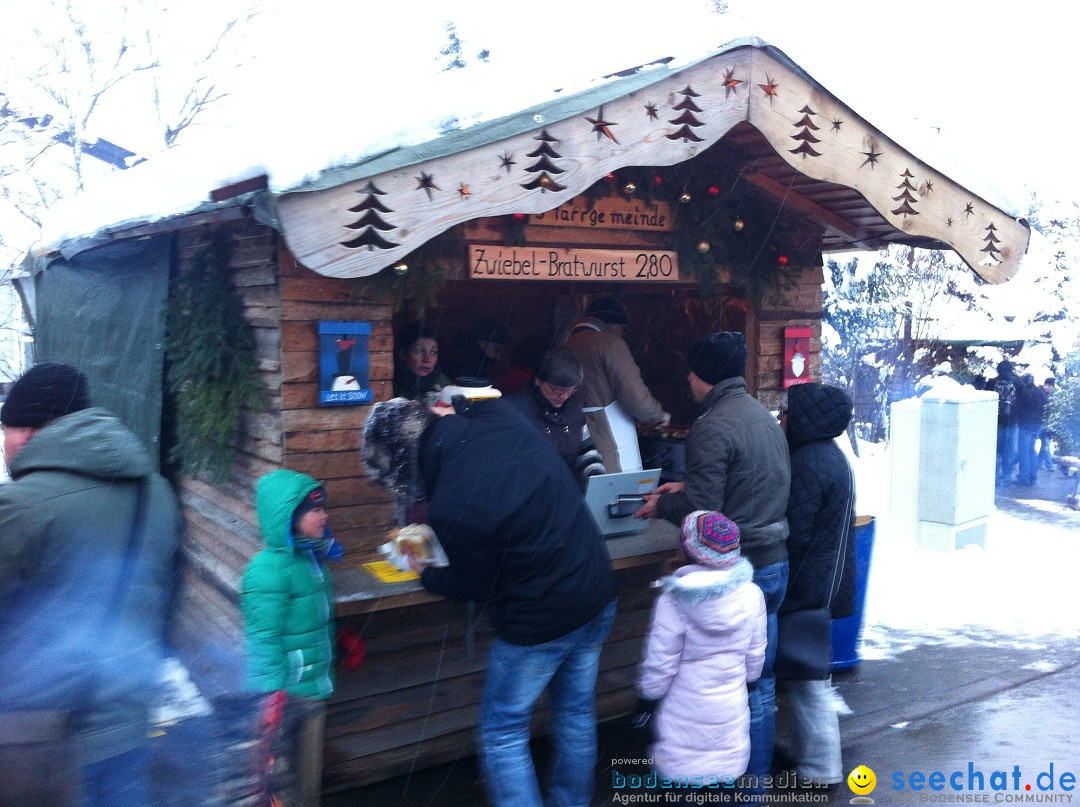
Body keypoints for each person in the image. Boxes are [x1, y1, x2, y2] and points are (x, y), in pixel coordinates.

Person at [361, 397, 618, 807]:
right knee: (576, 714)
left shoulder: (451, 507)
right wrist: (448, 406)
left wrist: (425, 571)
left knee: (503, 731)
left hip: (540, 621)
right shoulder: (501, 416)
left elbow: (476, 582)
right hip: (595, 591)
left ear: (406, 467)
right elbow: (470, 404)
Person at [0, 362, 182, 807]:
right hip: (133, 726)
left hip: (46, 746)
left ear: (26, 433)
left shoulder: (20, 507)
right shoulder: (155, 492)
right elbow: (167, 599)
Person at [634, 331, 790, 797]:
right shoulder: (761, 417)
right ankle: (753, 790)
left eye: (692, 370)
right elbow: (746, 481)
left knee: (709, 688)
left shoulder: (711, 426)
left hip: (737, 572)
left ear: (703, 375)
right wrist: (681, 489)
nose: (687, 378)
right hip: (775, 565)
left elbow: (706, 510)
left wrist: (661, 506)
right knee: (756, 685)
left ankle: (704, 782)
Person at [634, 511, 766, 790]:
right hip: (730, 712)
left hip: (683, 718)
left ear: (685, 549)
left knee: (683, 790)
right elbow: (755, 656)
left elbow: (661, 663)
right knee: (723, 787)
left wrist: (647, 701)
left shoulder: (673, 600)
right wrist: (750, 684)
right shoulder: (752, 594)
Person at [241, 469, 344, 807]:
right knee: (283, 783)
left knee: (307, 781)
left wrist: (341, 641)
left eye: (323, 508)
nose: (324, 515)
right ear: (290, 517)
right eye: (315, 510)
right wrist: (271, 695)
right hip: (290, 697)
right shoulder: (268, 569)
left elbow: (311, 621)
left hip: (314, 688)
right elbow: (262, 637)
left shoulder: (312, 559)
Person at [774, 382, 856, 792]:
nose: (783, 418)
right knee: (808, 678)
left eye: (787, 411)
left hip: (808, 584)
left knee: (809, 682)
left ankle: (821, 770)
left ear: (805, 418)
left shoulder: (811, 462)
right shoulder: (828, 456)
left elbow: (796, 533)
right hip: (822, 582)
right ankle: (811, 761)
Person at [564, 296, 670, 472]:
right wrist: (658, 417)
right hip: (608, 432)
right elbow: (634, 396)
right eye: (623, 328)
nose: (623, 332)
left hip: (577, 432)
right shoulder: (610, 343)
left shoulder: (568, 343)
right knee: (618, 488)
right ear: (613, 323)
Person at [507, 348, 607, 488]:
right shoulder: (518, 412)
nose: (565, 396)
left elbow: (586, 451)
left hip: (568, 493)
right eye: (557, 390)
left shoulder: (573, 408)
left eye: (571, 390)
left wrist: (597, 483)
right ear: (537, 380)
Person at [393, 321, 451, 401]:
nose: (427, 359)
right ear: (403, 354)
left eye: (433, 352)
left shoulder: (444, 384)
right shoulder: (389, 382)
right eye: (419, 350)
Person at [444, 315, 511, 385]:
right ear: (483, 342)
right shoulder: (465, 364)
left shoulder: (467, 358)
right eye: (497, 349)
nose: (498, 356)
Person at [992, 360, 1021, 487]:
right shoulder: (1018, 382)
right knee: (1009, 451)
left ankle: (994, 477)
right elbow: (1026, 400)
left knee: (996, 450)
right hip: (1012, 422)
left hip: (995, 423)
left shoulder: (992, 382)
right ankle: (1006, 478)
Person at [1015, 373, 1047, 486]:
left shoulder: (1025, 393)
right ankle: (1033, 476)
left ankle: (1023, 478)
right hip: (1037, 425)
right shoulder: (1040, 392)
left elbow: (1019, 408)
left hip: (1025, 425)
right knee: (1032, 450)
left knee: (1024, 452)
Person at [1038, 378, 1057, 471]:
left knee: (1044, 444)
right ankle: (1049, 465)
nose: (1046, 387)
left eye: (1049, 385)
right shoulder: (1041, 394)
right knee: (1045, 444)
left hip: (1045, 423)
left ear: (1053, 387)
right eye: (1046, 385)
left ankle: (1039, 463)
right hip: (1040, 423)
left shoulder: (1052, 396)